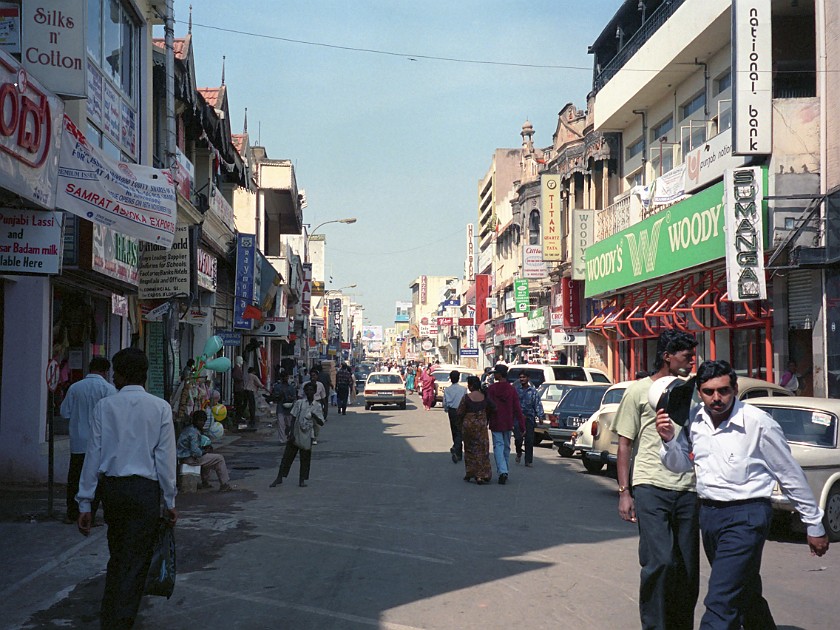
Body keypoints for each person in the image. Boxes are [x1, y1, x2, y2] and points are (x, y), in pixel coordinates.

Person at [657, 359, 829, 628]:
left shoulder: (758, 423)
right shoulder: (695, 421)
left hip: (747, 516)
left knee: (721, 598)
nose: (717, 398)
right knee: (743, 590)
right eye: (709, 392)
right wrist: (668, 441)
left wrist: (814, 524)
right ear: (699, 392)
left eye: (723, 390)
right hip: (710, 515)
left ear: (735, 389)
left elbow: (789, 474)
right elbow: (679, 465)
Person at [76, 348, 177, 630]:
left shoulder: (105, 407)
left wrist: (85, 504)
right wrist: (169, 501)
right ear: (144, 375)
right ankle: (120, 620)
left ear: (119, 375)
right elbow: (165, 461)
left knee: (118, 554)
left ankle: (112, 616)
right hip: (145, 492)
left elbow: (93, 456)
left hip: (114, 492)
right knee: (136, 561)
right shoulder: (160, 408)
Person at [610, 329, 699, 630]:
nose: (691, 361)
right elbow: (624, 443)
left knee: (686, 568)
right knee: (659, 562)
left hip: (688, 488)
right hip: (650, 487)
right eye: (686, 356)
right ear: (667, 357)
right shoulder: (637, 391)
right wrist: (625, 492)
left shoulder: (691, 391)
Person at [60, 356, 116, 525]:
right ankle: (90, 512)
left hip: (78, 440)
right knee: (95, 479)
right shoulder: (109, 389)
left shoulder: (75, 388)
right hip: (99, 442)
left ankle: (72, 512)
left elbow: (64, 412)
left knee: (75, 476)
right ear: (106, 372)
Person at [270, 382, 325, 488]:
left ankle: (302, 479)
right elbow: (293, 417)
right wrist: (290, 431)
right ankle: (280, 477)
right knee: (287, 457)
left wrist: (314, 416)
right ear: (305, 392)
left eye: (311, 390)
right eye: (307, 390)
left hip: (307, 434)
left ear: (314, 392)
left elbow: (321, 422)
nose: (309, 392)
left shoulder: (317, 406)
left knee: (305, 458)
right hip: (296, 432)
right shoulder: (299, 403)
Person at [485, 364, 524, 485]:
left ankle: (502, 471)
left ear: (500, 374)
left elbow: (488, 407)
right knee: (506, 447)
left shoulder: (491, 389)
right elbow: (517, 408)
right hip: (508, 422)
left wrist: (485, 421)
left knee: (498, 446)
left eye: (495, 373)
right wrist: (522, 425)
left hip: (496, 421)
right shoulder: (511, 389)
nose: (494, 375)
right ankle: (504, 470)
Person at [177, 410, 234, 491]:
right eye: (200, 421)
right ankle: (224, 484)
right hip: (189, 458)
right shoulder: (193, 432)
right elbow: (196, 452)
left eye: (204, 421)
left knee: (208, 458)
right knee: (219, 458)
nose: (202, 423)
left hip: (184, 457)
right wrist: (204, 451)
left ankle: (205, 482)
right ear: (195, 421)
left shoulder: (188, 429)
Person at [456, 376, 493, 484]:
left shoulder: (467, 397)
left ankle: (471, 472)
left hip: (468, 426)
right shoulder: (484, 397)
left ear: (471, 386)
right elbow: (492, 408)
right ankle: (482, 474)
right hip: (481, 426)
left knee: (470, 449)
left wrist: (460, 424)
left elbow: (459, 412)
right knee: (482, 449)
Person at [514, 371, 545, 467]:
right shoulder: (516, 390)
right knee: (518, 439)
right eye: (520, 377)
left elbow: (537, 404)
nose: (522, 379)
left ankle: (528, 460)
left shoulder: (533, 391)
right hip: (518, 418)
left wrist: (540, 416)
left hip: (529, 418)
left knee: (529, 440)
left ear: (528, 378)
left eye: (524, 377)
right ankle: (519, 452)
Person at [442, 370, 467, 463]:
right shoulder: (463, 389)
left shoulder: (447, 390)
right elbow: (465, 401)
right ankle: (457, 450)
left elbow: (445, 403)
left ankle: (457, 450)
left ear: (450, 378)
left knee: (454, 430)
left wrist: (446, 409)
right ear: (459, 378)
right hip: (461, 411)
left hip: (452, 412)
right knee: (460, 431)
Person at [272, 371, 298, 444]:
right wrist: (278, 396)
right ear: (281, 378)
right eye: (283, 377)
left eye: (286, 376)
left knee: (289, 424)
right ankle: (282, 440)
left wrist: (291, 398)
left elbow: (294, 397)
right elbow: (274, 396)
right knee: (281, 424)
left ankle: (287, 435)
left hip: (289, 408)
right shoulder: (277, 387)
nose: (285, 378)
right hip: (280, 407)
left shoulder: (291, 387)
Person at [302, 370, 327, 444]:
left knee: (316, 423)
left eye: (314, 375)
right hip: (306, 404)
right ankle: (309, 437)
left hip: (317, 404)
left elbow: (323, 397)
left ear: (317, 376)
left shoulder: (320, 385)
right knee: (307, 422)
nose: (313, 377)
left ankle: (315, 437)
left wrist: (325, 408)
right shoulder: (305, 385)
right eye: (311, 376)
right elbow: (300, 396)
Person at [231, 356, 246, 423]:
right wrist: (241, 379)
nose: (242, 361)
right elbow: (236, 377)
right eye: (241, 360)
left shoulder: (238, 368)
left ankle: (239, 416)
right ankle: (238, 417)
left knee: (240, 403)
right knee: (239, 403)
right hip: (238, 389)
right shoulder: (237, 368)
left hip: (239, 388)